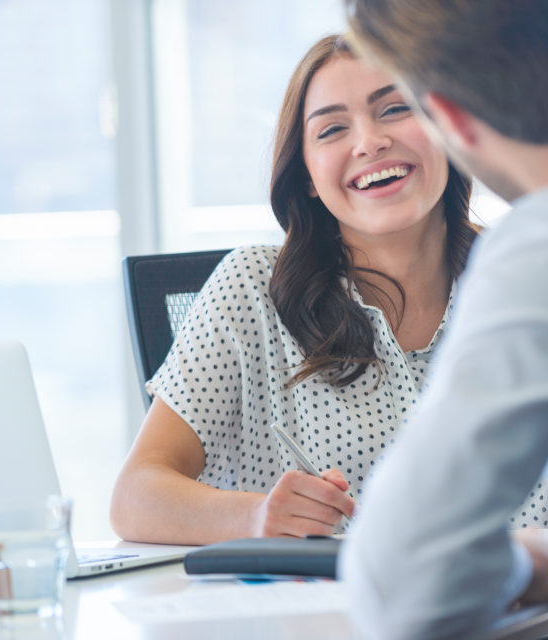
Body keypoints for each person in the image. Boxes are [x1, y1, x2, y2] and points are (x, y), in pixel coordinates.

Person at [110, 33, 487, 545]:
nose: (369, 142)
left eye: (395, 108)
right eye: (332, 129)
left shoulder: (525, 276)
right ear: (308, 176)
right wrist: (255, 517)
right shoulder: (251, 290)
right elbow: (135, 497)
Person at [339, 1, 548, 639]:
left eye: (398, 107)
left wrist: (529, 561)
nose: (369, 141)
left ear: (449, 119)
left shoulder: (530, 254)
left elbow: (406, 586)